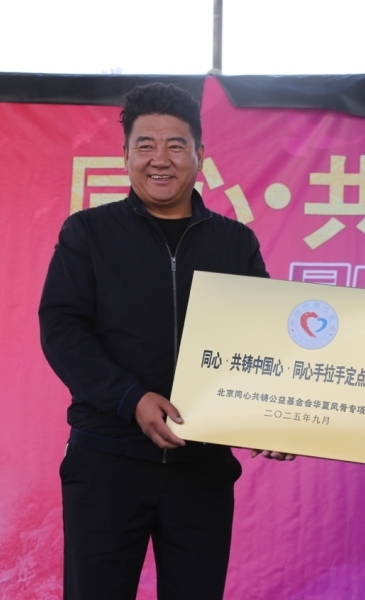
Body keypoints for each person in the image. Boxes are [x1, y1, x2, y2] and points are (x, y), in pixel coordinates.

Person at [39, 82, 286, 600]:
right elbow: (62, 330)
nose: (160, 159)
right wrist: (130, 399)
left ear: (200, 155)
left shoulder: (234, 242)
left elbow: (264, 340)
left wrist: (277, 418)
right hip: (106, 462)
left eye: (176, 145)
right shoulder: (87, 233)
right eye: (145, 145)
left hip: (202, 468)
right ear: (125, 155)